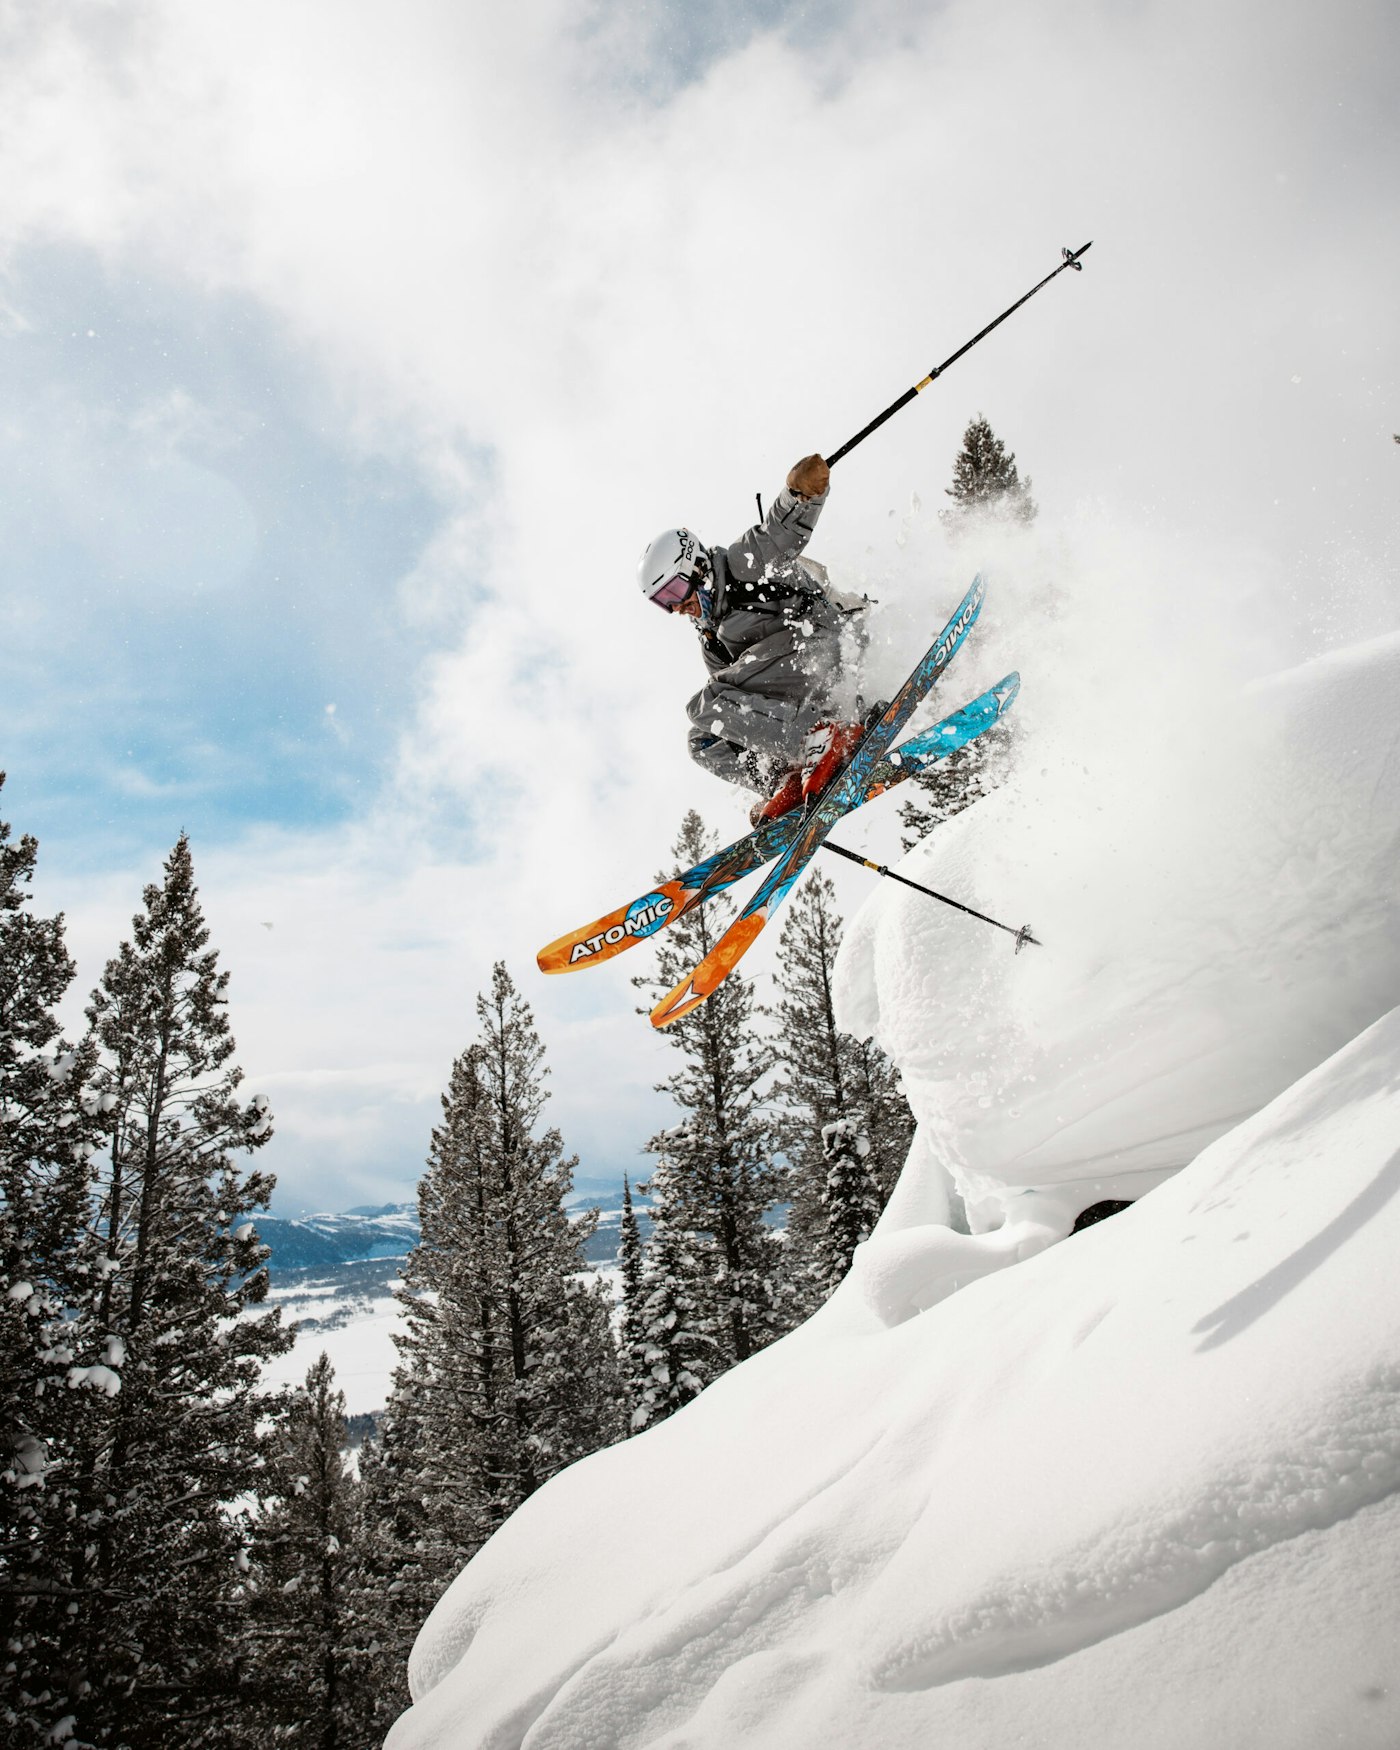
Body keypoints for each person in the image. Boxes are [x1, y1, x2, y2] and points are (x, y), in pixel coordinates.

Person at [637, 454, 870, 826]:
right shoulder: (712, 640)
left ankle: (820, 736)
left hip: (826, 643)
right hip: (800, 688)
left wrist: (801, 491)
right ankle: (785, 776)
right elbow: (739, 709)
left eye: (677, 589)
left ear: (695, 565)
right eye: (665, 602)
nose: (678, 605)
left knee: (706, 703)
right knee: (702, 740)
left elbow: (780, 531)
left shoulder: (741, 564)